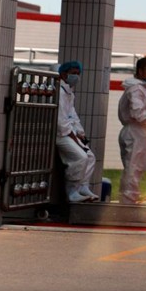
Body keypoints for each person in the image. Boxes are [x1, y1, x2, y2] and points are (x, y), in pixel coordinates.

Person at [117, 57, 146, 204]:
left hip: (137, 131)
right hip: (135, 132)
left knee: (133, 166)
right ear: (140, 71)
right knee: (134, 167)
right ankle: (129, 201)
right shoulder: (136, 88)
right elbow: (138, 113)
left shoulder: (140, 87)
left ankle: (128, 199)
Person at [56, 61, 99, 203]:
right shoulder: (60, 93)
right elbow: (62, 123)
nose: (76, 77)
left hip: (70, 133)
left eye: (78, 74)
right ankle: (72, 192)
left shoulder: (69, 93)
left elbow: (73, 116)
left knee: (90, 156)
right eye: (73, 73)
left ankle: (82, 187)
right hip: (61, 135)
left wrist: (81, 133)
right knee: (81, 157)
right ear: (63, 74)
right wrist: (76, 141)